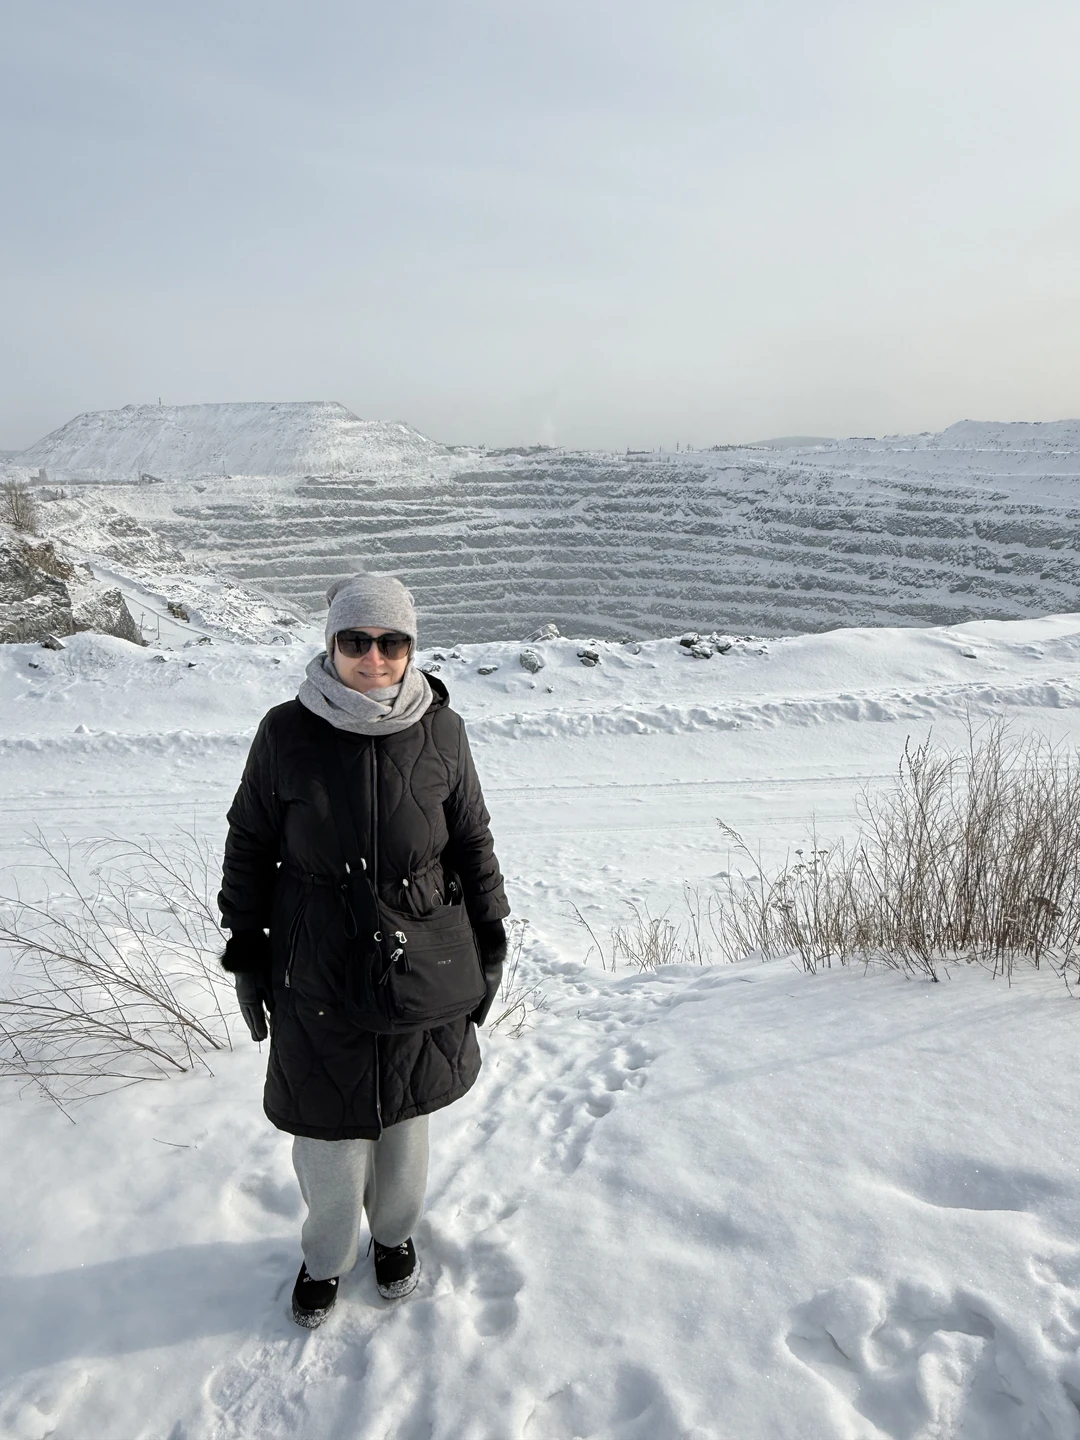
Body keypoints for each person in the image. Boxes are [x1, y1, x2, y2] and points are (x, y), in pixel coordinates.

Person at [218, 574, 509, 1327]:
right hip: (315, 961)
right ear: (331, 645)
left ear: (411, 648)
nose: (373, 658)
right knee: (328, 1135)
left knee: (407, 1122)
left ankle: (395, 1237)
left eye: (391, 642)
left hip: (422, 958)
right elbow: (249, 843)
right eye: (356, 641)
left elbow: (472, 841)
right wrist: (246, 946)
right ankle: (326, 1257)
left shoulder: (443, 730)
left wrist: (492, 937)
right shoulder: (286, 732)